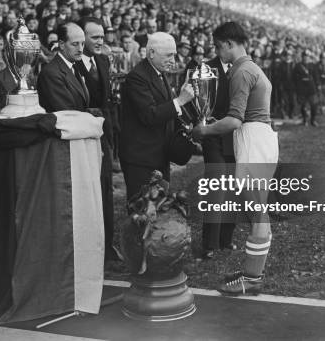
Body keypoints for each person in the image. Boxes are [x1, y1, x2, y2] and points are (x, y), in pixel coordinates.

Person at [192, 21, 278, 295]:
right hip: (261, 138)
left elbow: (232, 121)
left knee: (256, 212)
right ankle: (254, 271)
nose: (218, 52)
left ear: (229, 43)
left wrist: (202, 130)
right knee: (258, 211)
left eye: (219, 46)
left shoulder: (241, 71)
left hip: (252, 139)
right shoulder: (253, 67)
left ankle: (252, 278)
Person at [119, 32, 195, 201]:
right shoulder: (137, 77)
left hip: (158, 155)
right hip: (141, 159)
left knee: (157, 209)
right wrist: (180, 100)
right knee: (141, 213)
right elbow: (149, 115)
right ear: (151, 53)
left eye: (174, 55)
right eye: (168, 55)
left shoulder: (158, 73)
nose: (173, 60)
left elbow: (167, 110)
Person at [77, 17, 121, 262]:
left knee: (106, 189)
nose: (100, 42)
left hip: (103, 134)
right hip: (83, 135)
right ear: (81, 38)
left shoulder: (103, 61)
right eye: (94, 37)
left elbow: (108, 104)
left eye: (102, 37)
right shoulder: (72, 64)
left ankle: (107, 244)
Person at [200, 46, 237, 260]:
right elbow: (202, 105)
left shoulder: (241, 67)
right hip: (214, 136)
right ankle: (209, 243)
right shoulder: (207, 68)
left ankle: (226, 238)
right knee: (216, 189)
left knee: (233, 188)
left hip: (234, 136)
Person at [37, 22, 90, 112]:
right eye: (75, 44)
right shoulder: (51, 73)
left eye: (83, 44)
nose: (80, 49)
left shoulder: (75, 66)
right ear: (61, 44)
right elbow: (67, 112)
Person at [293, 50, 319, 126]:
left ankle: (313, 120)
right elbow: (294, 78)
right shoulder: (298, 66)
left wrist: (317, 87)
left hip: (311, 88)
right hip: (302, 89)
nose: (305, 58)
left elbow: (316, 77)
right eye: (304, 56)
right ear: (302, 57)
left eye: (307, 56)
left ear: (309, 57)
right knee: (303, 105)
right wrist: (297, 86)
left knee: (314, 105)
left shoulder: (313, 65)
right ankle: (304, 119)